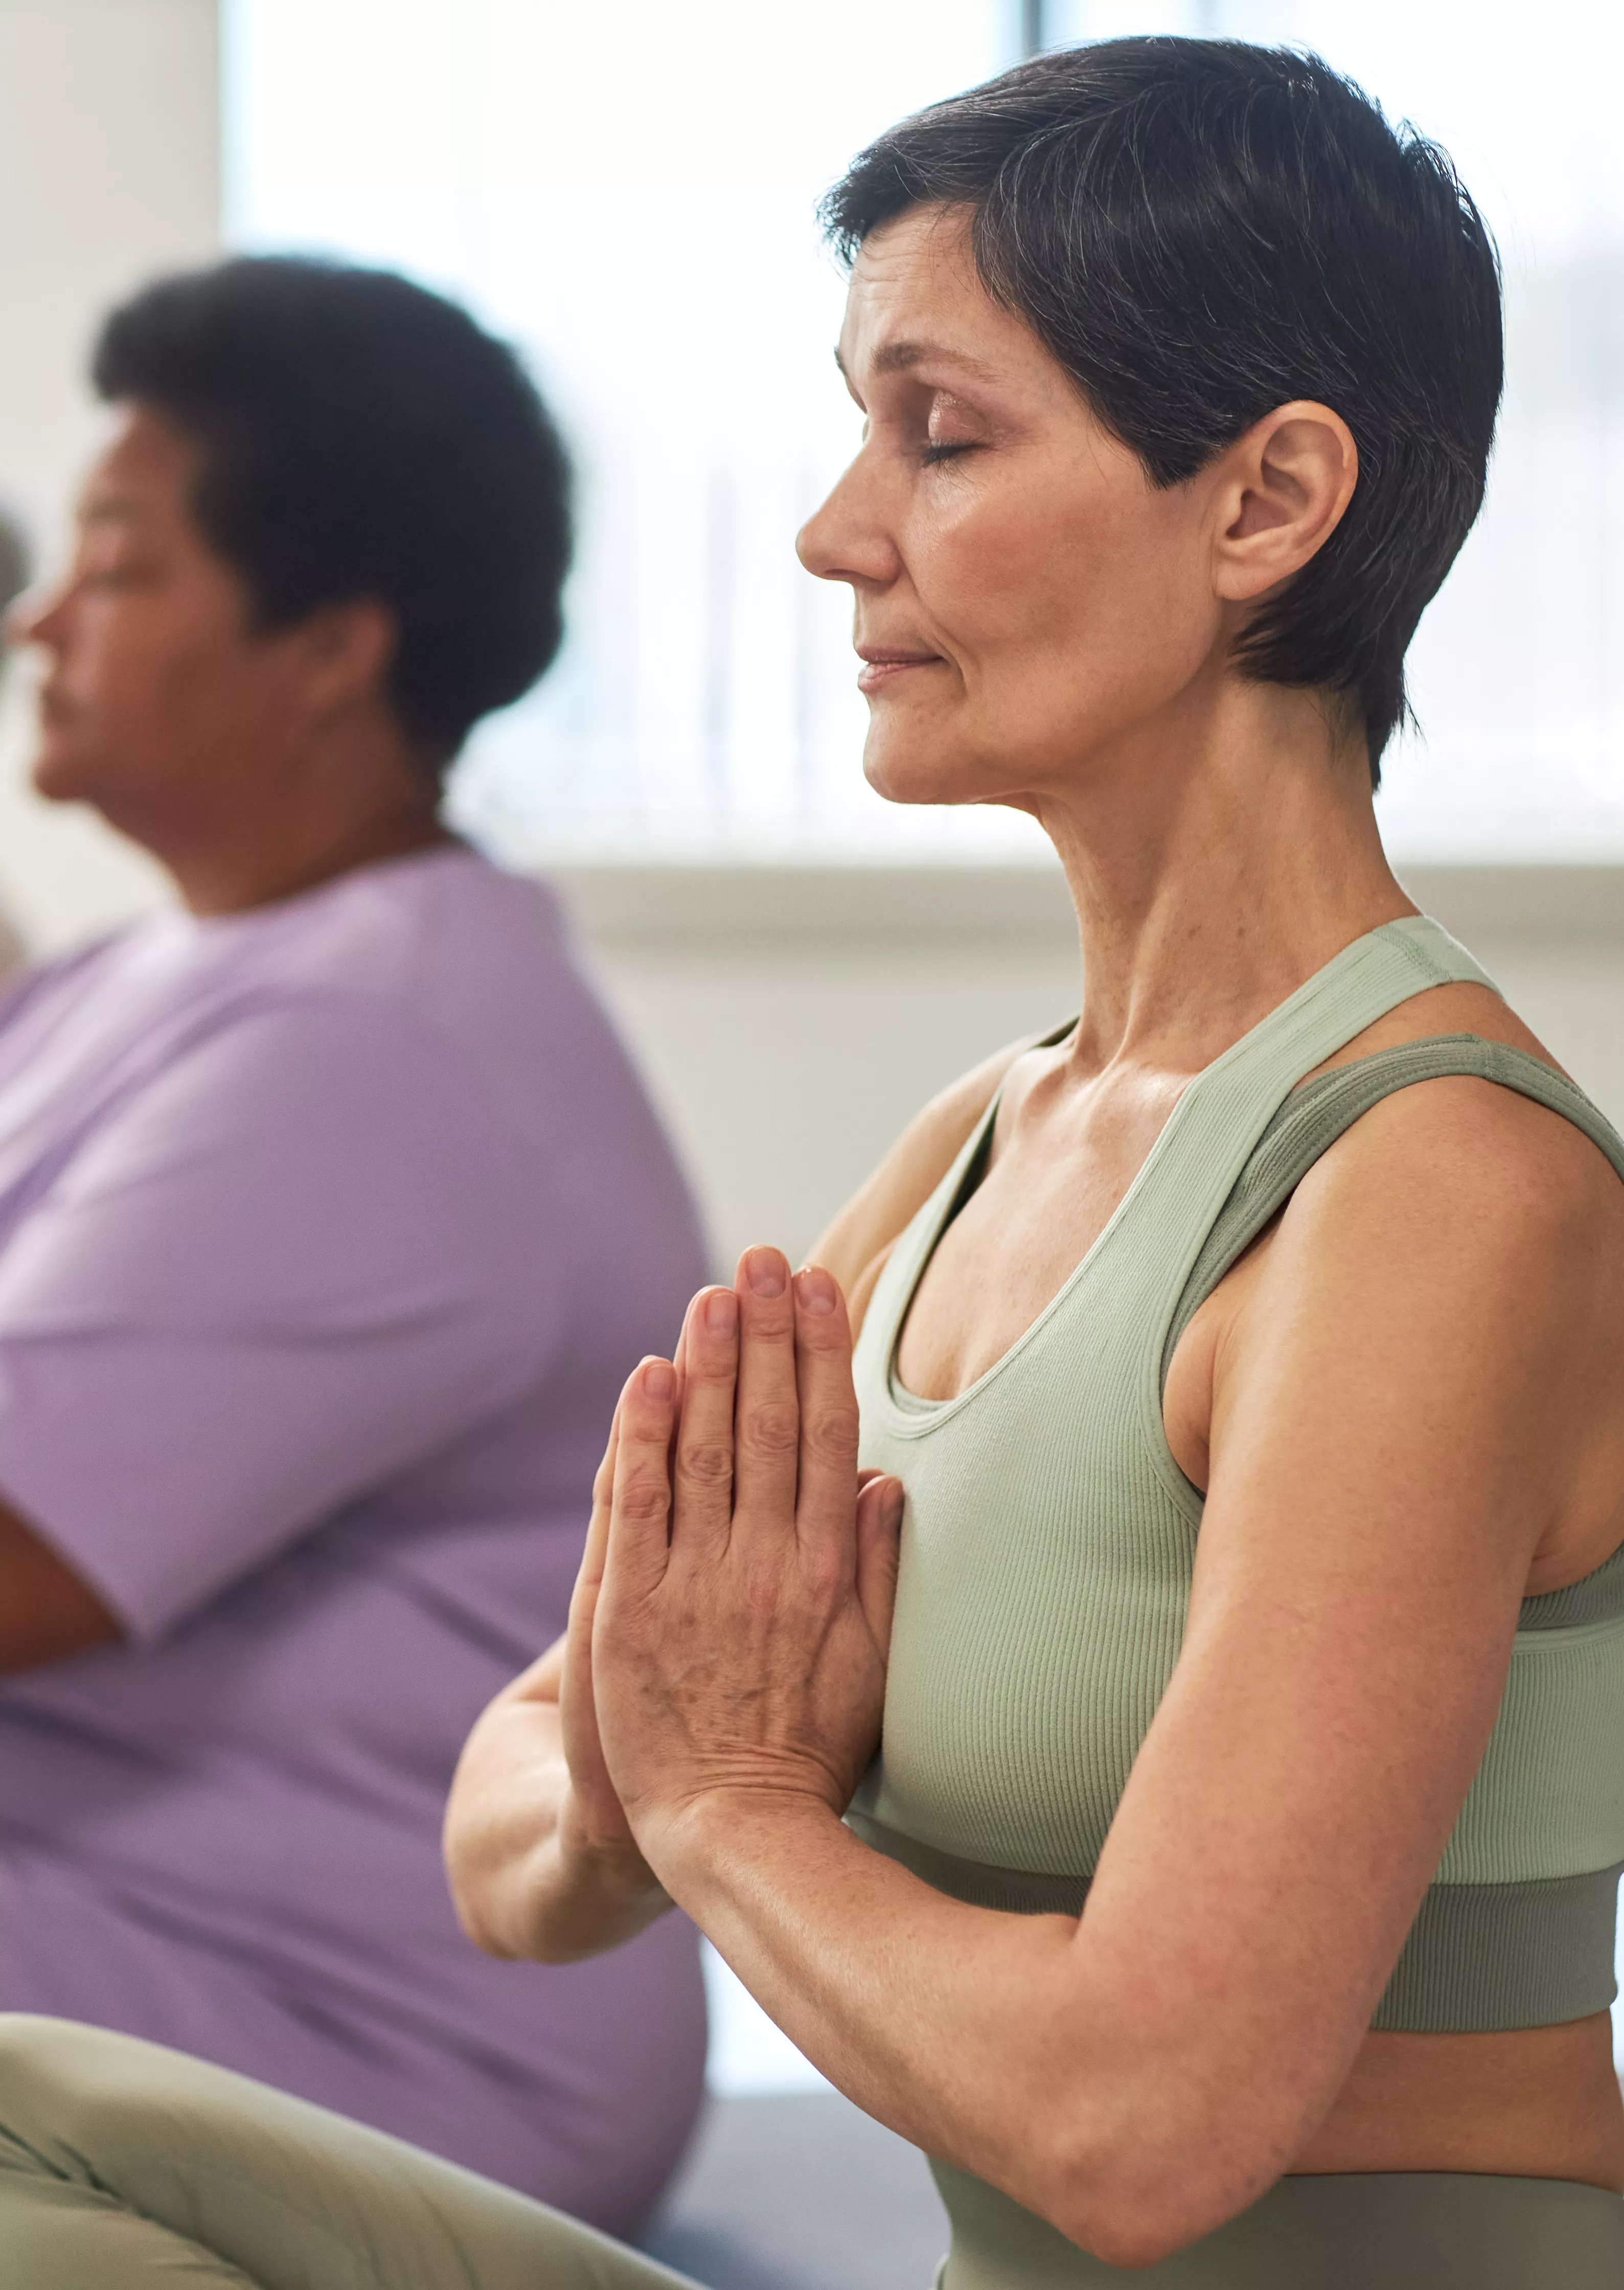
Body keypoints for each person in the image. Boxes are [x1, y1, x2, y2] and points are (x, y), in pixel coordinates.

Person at [3, 35, 1623, 2288]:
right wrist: (653, 1768)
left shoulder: (1433, 1191)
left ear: (1264, 503)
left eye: (938, 434)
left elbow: (1145, 2130)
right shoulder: (981, 1140)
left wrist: (726, 1809)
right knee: (26, 2112)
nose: (832, 527)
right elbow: (514, 1821)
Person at [0, 258, 708, 2231]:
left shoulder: (369, 1042)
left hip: (355, 2027)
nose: (41, 620)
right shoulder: (182, 967)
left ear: (327, 644)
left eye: (118, 568)